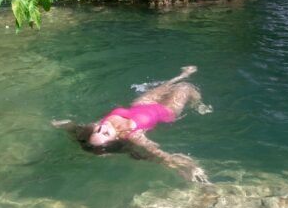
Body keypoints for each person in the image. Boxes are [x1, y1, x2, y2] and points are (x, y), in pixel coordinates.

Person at [52, 66, 210, 183]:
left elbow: (74, 127)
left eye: (99, 129)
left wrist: (61, 124)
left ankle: (183, 74)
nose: (103, 127)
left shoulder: (94, 127)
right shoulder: (134, 136)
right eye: (105, 133)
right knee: (186, 87)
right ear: (115, 139)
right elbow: (162, 156)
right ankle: (199, 104)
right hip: (166, 111)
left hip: (141, 104)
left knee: (165, 86)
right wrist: (191, 168)